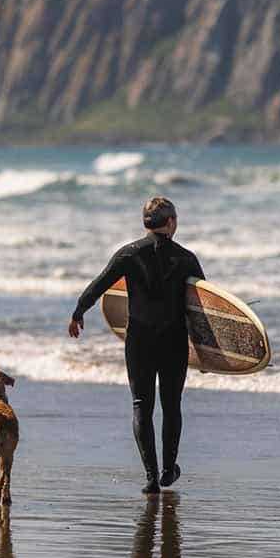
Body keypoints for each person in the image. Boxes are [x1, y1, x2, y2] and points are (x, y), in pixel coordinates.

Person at [69, 197, 204, 494]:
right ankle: (170, 469)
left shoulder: (128, 254)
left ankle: (150, 477)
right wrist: (207, 353)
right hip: (174, 342)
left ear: (146, 223)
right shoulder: (186, 258)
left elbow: (98, 286)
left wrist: (78, 313)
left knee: (141, 405)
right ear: (170, 223)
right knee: (171, 405)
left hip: (140, 340)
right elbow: (201, 309)